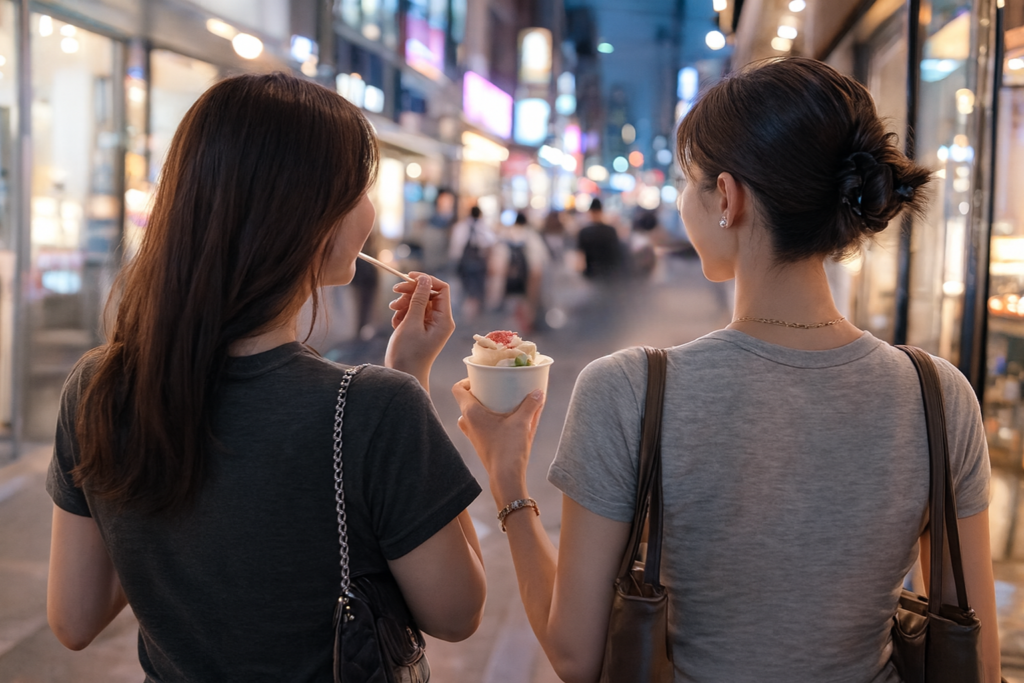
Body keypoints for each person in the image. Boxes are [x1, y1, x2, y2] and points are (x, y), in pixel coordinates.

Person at [452, 57, 1000, 683]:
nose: (685, 201)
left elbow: (579, 656)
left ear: (728, 198)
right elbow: (977, 659)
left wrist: (508, 480)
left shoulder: (630, 388)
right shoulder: (938, 396)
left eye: (689, 181)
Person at [45, 73, 486, 681]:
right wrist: (411, 378)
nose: (368, 210)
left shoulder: (96, 387)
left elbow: (74, 618)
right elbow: (458, 611)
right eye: (360, 189)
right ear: (310, 217)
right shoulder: (374, 409)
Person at [488, 212, 549, 332]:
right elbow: (538, 267)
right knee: (524, 318)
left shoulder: (503, 237)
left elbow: (494, 267)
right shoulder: (532, 237)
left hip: (504, 287)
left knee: (505, 322)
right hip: (526, 286)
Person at [449, 205, 496, 320]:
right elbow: (491, 243)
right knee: (475, 290)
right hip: (477, 264)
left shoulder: (461, 227)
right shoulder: (483, 227)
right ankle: (471, 313)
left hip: (467, 264)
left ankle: (469, 314)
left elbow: (455, 247)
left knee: (468, 289)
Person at [575, 198, 623, 279]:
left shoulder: (584, 232)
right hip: (609, 274)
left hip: (591, 274)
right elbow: (617, 253)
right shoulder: (611, 230)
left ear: (590, 212)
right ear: (602, 211)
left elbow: (580, 257)